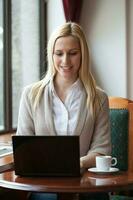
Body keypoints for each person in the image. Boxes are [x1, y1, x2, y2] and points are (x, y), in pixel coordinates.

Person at [16, 22, 111, 200]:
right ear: (51, 55)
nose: (65, 61)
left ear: (83, 55)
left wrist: (76, 163)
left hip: (86, 183)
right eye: (59, 54)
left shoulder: (99, 98)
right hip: (45, 185)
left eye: (73, 53)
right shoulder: (31, 95)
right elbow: (23, 147)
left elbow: (101, 149)